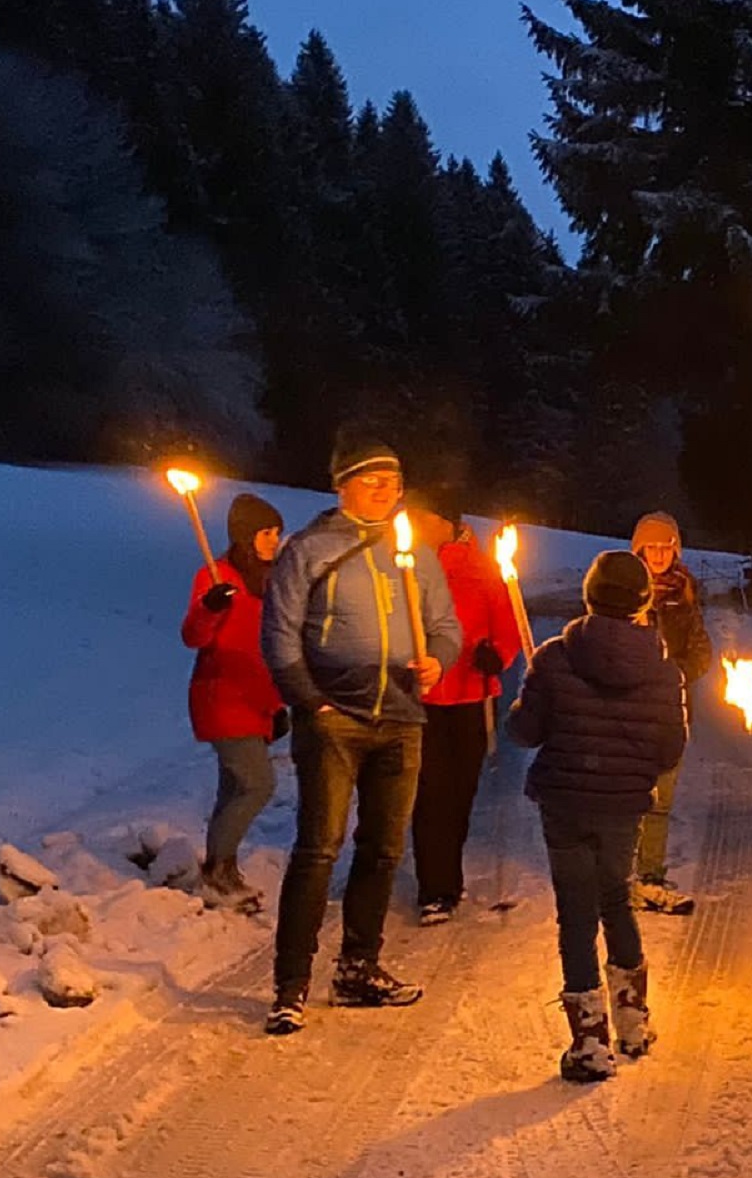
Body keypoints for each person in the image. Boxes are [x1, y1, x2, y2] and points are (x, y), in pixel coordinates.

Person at [259, 431, 461, 1036]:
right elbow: (279, 636)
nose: (386, 492)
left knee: (383, 849)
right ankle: (290, 985)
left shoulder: (415, 554)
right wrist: (311, 703)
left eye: (394, 483)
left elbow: (445, 624)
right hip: (334, 720)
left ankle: (359, 967)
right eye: (372, 481)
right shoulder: (311, 549)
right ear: (342, 484)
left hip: (401, 720)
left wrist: (438, 660)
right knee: (319, 848)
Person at [510, 550, 689, 1081]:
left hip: (564, 804)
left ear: (587, 596)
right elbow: (670, 752)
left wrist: (528, 702)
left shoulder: (553, 657)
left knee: (576, 913)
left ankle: (589, 1043)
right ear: (643, 603)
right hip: (622, 805)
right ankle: (632, 1022)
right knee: (617, 899)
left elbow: (526, 733)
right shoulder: (663, 670)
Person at [405, 487, 525, 922]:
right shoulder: (407, 565)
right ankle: (433, 889)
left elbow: (507, 626)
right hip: (422, 698)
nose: (415, 523)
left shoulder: (482, 567)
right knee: (431, 792)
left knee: (461, 792)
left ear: (446, 521)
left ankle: (447, 874)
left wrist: (499, 653)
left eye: (423, 516)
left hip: (471, 696)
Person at [181, 492, 287, 911]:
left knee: (233, 788)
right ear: (246, 536)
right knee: (258, 785)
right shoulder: (217, 576)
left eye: (277, 531)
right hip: (222, 697)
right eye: (266, 532)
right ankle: (216, 872)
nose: (274, 539)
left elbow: (270, 651)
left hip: (256, 702)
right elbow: (194, 636)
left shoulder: (272, 582)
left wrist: (277, 707)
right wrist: (209, 608)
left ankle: (223, 869)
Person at [629, 512, 714, 914]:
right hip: (627, 713)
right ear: (639, 548)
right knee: (626, 796)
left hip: (671, 713)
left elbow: (701, 650)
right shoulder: (620, 588)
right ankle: (616, 875)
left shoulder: (685, 592)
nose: (660, 554)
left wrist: (675, 674)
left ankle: (649, 877)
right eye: (653, 546)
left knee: (660, 799)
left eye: (668, 546)